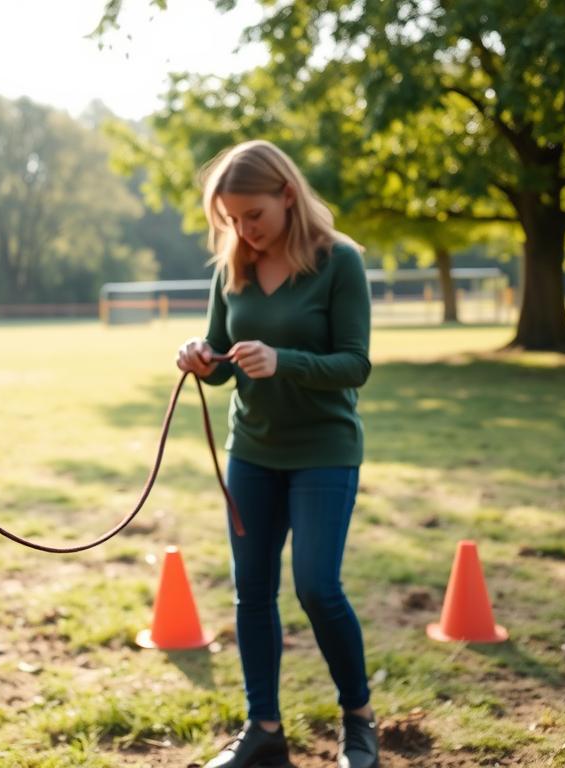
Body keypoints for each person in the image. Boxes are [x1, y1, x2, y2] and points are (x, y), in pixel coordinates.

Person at [176, 140, 377, 768]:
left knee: (318, 587)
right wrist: (199, 359)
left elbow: (356, 364)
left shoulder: (339, 263)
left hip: (323, 451)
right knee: (252, 591)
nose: (243, 230)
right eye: (231, 218)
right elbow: (219, 358)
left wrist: (282, 360)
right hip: (252, 454)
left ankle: (360, 719)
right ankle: (263, 730)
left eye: (253, 215)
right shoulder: (229, 266)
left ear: (287, 195)